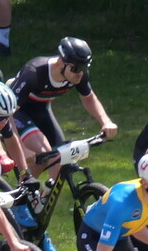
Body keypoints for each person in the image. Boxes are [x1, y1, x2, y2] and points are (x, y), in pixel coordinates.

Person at [11, 39, 116, 178]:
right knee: (43, 153)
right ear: (61, 62)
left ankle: (45, 191)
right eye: (76, 68)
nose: (80, 73)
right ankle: (26, 189)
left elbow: (89, 98)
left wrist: (106, 122)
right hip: (16, 111)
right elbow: (7, 112)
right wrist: (21, 148)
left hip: (42, 109)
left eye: (84, 68)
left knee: (60, 157)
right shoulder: (34, 72)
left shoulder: (78, 74)